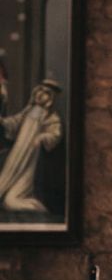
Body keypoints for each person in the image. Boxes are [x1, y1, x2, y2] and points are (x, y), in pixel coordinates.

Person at [0, 79, 62, 212]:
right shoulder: (29, 111)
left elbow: (54, 134)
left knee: (10, 201)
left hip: (29, 160)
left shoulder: (51, 117)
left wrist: (42, 137)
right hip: (17, 154)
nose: (40, 94)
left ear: (50, 98)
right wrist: (3, 122)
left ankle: (39, 208)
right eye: (39, 90)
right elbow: (14, 123)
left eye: (45, 93)